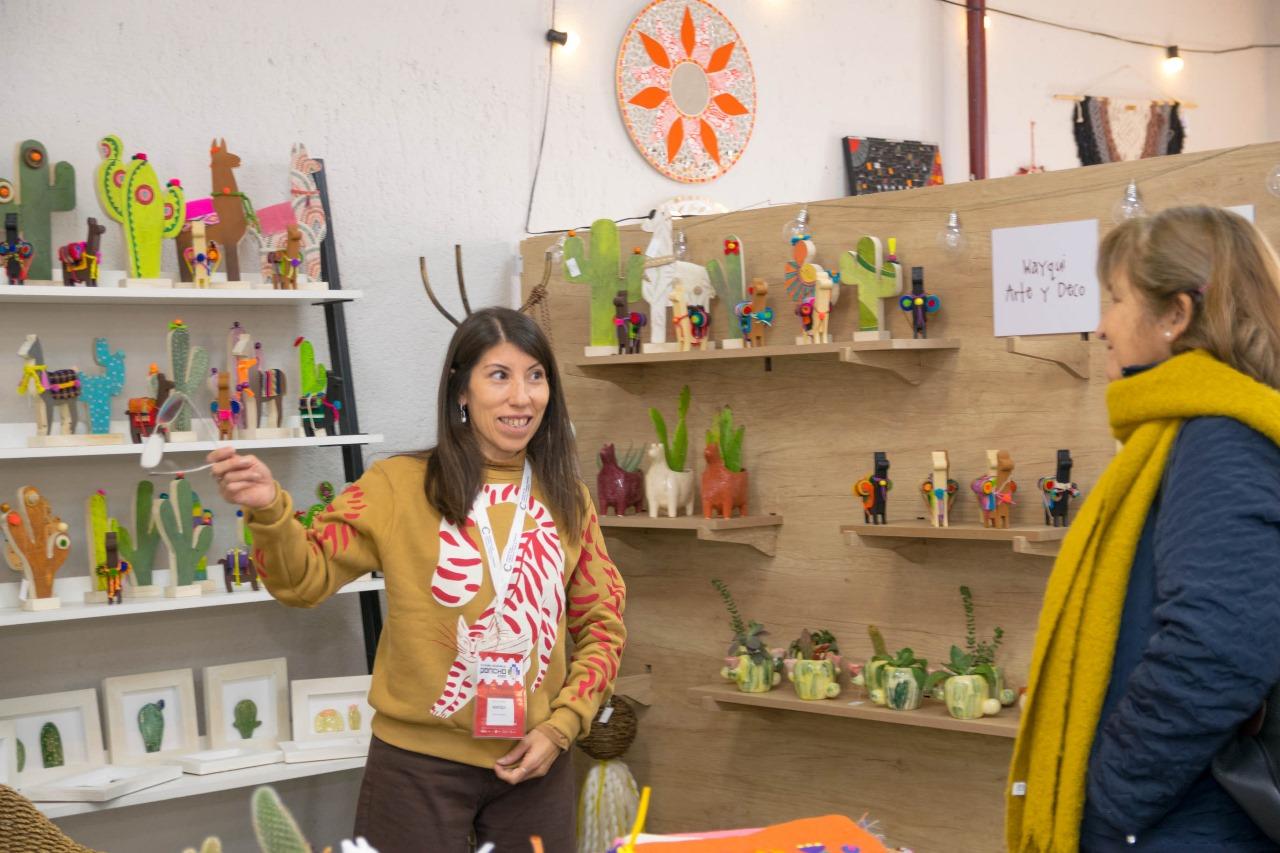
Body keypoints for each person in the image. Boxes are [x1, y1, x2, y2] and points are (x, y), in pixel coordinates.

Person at [208, 307, 626, 853]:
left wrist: (562, 725)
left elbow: (603, 625)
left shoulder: (568, 496)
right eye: (499, 375)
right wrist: (269, 511)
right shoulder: (397, 485)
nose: (522, 397)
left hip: (536, 764)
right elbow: (302, 581)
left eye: (535, 376)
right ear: (461, 390)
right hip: (416, 770)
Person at [1006, 206, 1280, 852]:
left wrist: (1110, 799)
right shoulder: (1193, 433)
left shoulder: (1221, 441)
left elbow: (1216, 648)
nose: (1101, 325)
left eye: (1116, 299)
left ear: (1175, 316)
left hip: (1184, 827)